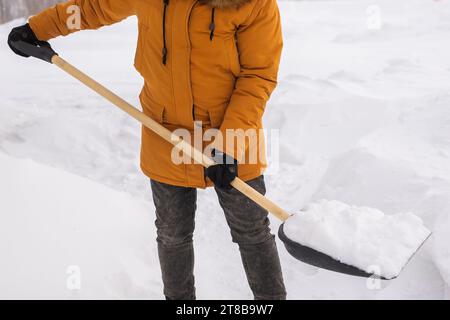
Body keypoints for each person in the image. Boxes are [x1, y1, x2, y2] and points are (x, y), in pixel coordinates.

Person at [8, 0, 286, 300]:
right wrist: (36, 28)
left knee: (253, 232)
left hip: (233, 130)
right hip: (163, 131)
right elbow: (94, 9)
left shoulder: (254, 4)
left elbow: (258, 76)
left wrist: (229, 144)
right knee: (172, 234)